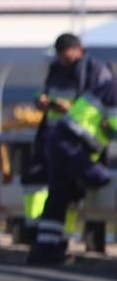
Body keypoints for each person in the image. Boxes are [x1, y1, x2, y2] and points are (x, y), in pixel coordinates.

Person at [23, 34, 112, 241]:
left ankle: (56, 238)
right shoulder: (56, 69)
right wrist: (42, 100)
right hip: (54, 137)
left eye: (67, 57)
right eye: (61, 57)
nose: (64, 62)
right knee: (48, 185)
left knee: (72, 188)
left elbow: (102, 107)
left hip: (79, 142)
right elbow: (43, 91)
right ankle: (44, 237)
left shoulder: (95, 71)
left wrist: (71, 108)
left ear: (78, 49)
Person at [27, 77, 115, 265]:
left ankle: (46, 248)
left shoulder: (104, 88)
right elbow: (114, 126)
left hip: (63, 142)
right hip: (73, 146)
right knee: (101, 178)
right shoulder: (114, 90)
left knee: (61, 195)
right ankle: (47, 249)